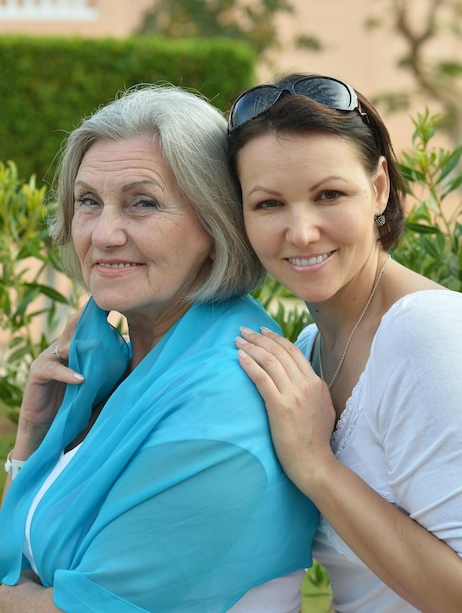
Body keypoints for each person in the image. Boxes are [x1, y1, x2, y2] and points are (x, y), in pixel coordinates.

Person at [0, 84, 319, 613]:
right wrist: (33, 438)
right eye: (88, 202)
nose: (104, 234)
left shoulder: (222, 408)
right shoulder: (122, 360)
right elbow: (25, 555)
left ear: (215, 223)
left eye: (142, 203)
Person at [227, 73, 462, 613]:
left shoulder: (426, 333)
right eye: (268, 204)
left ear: (379, 187)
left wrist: (315, 464)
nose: (302, 231)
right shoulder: (311, 348)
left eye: (328, 194)